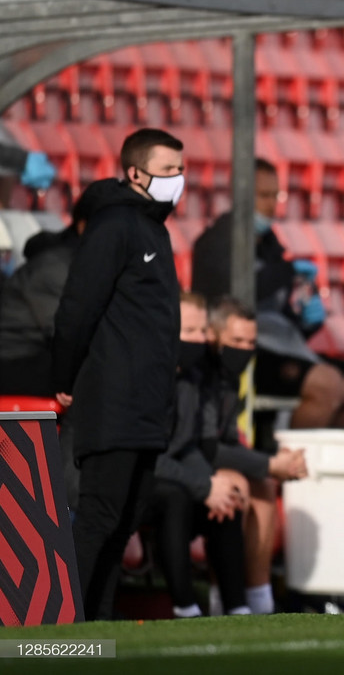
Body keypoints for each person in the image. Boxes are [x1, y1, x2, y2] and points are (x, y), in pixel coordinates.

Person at [51, 128, 186, 621]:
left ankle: (100, 626)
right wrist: (62, 378)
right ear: (134, 172)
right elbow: (78, 308)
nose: (178, 179)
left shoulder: (154, 228)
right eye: (168, 170)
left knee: (125, 518)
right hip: (114, 396)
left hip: (149, 401)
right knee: (100, 516)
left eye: (180, 169)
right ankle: (63, 624)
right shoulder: (115, 226)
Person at [191, 158, 344, 430]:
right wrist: (286, 271)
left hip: (279, 349)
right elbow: (238, 299)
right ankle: (288, 465)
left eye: (275, 195)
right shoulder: (215, 244)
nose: (271, 204)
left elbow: (278, 320)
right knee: (326, 384)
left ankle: (323, 464)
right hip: (241, 351)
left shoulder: (271, 247)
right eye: (264, 195)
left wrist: (305, 323)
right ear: (239, 194)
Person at [147, 292, 252, 618]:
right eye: (189, 332)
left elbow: (187, 443)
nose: (200, 340)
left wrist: (211, 485)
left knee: (227, 497)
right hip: (132, 478)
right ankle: (185, 607)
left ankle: (238, 608)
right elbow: (144, 452)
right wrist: (202, 485)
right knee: (177, 496)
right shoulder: (145, 377)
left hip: (169, 470)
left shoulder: (190, 379)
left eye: (202, 331)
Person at [201, 296, 308, 615]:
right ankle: (226, 603)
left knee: (263, 486)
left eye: (250, 342)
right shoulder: (199, 377)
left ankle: (260, 600)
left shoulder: (230, 379)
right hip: (182, 463)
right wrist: (271, 463)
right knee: (237, 484)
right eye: (236, 341)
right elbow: (206, 446)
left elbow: (230, 440)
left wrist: (271, 466)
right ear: (214, 337)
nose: (244, 349)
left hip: (205, 457)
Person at [0, 188, 101, 396]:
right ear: (83, 227)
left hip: (38, 357)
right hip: (14, 361)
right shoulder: (55, 268)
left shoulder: (88, 265)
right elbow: (65, 333)